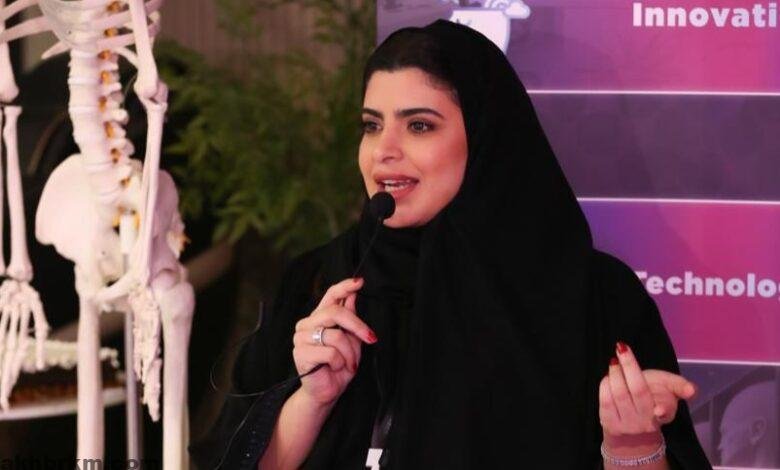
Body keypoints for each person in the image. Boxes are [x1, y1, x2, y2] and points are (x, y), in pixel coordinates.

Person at [189, 20, 711, 469]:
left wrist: (632, 443)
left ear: (483, 137)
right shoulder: (321, 283)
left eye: (419, 125)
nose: (383, 151)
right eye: (371, 126)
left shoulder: (591, 294)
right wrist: (314, 399)